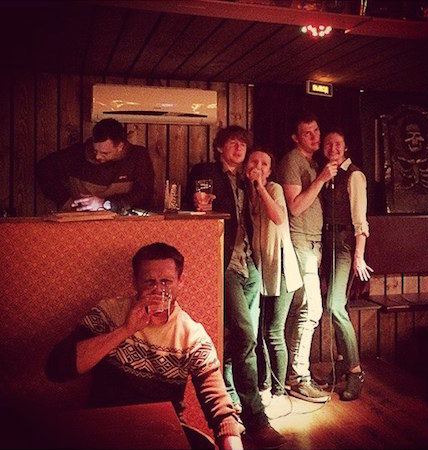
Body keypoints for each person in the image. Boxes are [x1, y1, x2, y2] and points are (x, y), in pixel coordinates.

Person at [45, 242, 243, 450]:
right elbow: (57, 368)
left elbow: (220, 408)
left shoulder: (192, 336)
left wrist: (232, 440)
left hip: (162, 431)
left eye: (166, 281)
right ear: (135, 282)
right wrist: (125, 329)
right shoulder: (109, 313)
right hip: (106, 426)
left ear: (180, 282)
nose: (158, 290)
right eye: (149, 282)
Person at [185, 126, 286, 449]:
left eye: (243, 144)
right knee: (245, 334)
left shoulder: (248, 181)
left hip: (250, 266)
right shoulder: (206, 172)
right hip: (224, 264)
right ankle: (256, 419)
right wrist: (200, 204)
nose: (240, 148)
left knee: (242, 338)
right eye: (233, 143)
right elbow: (195, 207)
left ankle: (232, 403)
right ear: (219, 148)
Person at [278, 111, 338, 403]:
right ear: (295, 137)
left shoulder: (312, 163)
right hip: (300, 241)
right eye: (308, 133)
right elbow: (296, 207)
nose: (315, 137)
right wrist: (322, 179)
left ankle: (296, 374)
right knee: (311, 310)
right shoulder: (292, 161)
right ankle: (298, 377)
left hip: (313, 243)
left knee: (303, 310)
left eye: (316, 131)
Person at [244, 147, 302, 419]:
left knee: (274, 332)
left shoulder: (274, 189)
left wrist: (261, 187)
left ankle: (279, 393)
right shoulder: (244, 194)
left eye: (264, 164)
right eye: (253, 162)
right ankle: (264, 386)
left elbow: (278, 217)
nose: (258, 166)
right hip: (259, 270)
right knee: (257, 333)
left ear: (270, 170)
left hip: (281, 268)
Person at [320, 128, 373, 401]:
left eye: (338, 143)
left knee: (334, 306)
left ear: (346, 147)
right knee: (337, 306)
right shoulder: (327, 174)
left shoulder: (354, 176)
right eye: (328, 144)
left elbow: (360, 221)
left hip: (344, 245)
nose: (333, 148)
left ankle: (355, 371)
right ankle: (342, 361)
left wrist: (358, 255)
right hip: (328, 242)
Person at [36, 118, 154, 213]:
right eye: (95, 150)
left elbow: (143, 193)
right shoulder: (77, 154)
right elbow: (43, 168)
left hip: (122, 222)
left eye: (105, 153)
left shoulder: (138, 156)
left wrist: (105, 204)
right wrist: (65, 200)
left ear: (120, 146)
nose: (97, 156)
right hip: (80, 221)